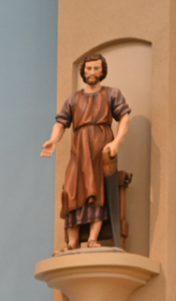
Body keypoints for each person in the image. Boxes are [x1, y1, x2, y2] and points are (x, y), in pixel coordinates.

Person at [41, 52, 132, 250]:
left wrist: (116, 142)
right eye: (88, 68)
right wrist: (53, 140)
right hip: (79, 150)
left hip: (100, 147)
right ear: (83, 71)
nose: (92, 72)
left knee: (96, 189)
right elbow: (61, 123)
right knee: (70, 189)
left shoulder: (111, 93)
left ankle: (92, 238)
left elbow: (124, 117)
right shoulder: (74, 98)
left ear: (102, 71)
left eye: (96, 68)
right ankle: (72, 242)